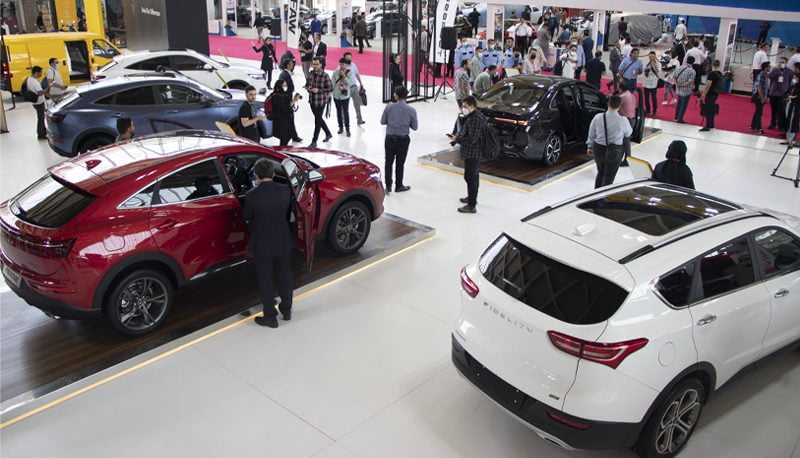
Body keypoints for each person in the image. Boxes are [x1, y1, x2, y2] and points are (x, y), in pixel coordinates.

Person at [244, 159, 294, 329]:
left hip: (263, 243)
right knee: (285, 276)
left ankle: (270, 317)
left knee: (265, 280)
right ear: (273, 173)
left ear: (256, 175)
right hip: (283, 240)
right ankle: (286, 310)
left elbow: (248, 217)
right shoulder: (286, 190)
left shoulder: (251, 196)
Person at [447, 96, 485, 214]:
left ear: (471, 105)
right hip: (474, 152)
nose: (463, 108)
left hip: (473, 153)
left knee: (470, 177)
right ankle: (472, 197)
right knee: (474, 176)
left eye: (465, 106)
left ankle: (471, 205)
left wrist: (457, 139)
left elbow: (472, 138)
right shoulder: (477, 116)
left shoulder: (475, 119)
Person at [587, 95, 631, 188]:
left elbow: (591, 133)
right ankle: (604, 195)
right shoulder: (623, 120)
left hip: (598, 149)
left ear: (608, 104)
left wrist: (590, 146)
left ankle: (596, 193)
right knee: (609, 177)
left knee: (600, 172)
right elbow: (628, 133)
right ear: (619, 106)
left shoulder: (598, 117)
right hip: (615, 152)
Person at [380, 86, 418, 193]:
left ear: (396, 95)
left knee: (388, 162)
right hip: (403, 140)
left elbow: (382, 121)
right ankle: (399, 185)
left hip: (390, 139)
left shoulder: (389, 107)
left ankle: (388, 186)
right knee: (400, 163)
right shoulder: (411, 110)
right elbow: (415, 127)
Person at [305, 57, 332, 147]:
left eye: (317, 64)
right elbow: (307, 84)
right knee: (319, 118)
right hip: (312, 100)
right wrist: (308, 88)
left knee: (317, 120)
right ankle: (328, 133)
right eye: (313, 64)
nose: (315, 66)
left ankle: (314, 141)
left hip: (321, 101)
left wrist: (319, 90)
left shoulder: (325, 75)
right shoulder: (310, 74)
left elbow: (330, 88)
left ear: (320, 65)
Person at [278, 58, 303, 143]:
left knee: (291, 118)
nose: (293, 65)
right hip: (286, 101)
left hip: (288, 99)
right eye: (291, 64)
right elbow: (283, 88)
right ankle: (291, 137)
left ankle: (294, 136)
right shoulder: (285, 75)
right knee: (290, 118)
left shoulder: (285, 74)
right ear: (288, 65)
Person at [767, 57, 792, 131]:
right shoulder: (775, 70)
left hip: (783, 94)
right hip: (773, 93)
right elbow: (770, 76)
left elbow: (790, 82)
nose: (781, 63)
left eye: (783, 62)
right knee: (773, 109)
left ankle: (781, 125)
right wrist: (775, 69)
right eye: (780, 62)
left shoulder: (789, 72)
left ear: (786, 63)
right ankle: (773, 123)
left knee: (781, 110)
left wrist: (789, 92)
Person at [331, 58, 355, 137]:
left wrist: (344, 77)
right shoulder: (335, 73)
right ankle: (340, 127)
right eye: (340, 64)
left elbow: (351, 84)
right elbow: (332, 84)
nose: (342, 66)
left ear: (347, 65)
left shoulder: (350, 73)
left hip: (345, 97)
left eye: (343, 64)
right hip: (336, 96)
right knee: (338, 112)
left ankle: (347, 128)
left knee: (345, 112)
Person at [343, 52, 365, 126]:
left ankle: (359, 119)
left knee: (357, 104)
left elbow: (357, 74)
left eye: (350, 57)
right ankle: (344, 120)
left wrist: (361, 83)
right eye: (347, 58)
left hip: (354, 87)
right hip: (347, 88)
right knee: (345, 105)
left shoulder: (353, 65)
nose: (349, 59)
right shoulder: (341, 67)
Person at [699, 60, 722, 132]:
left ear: (712, 65)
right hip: (716, 93)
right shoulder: (719, 73)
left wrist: (703, 94)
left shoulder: (711, 74)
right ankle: (711, 124)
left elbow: (708, 85)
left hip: (710, 93)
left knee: (708, 110)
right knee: (711, 109)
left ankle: (707, 126)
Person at [26, 66, 48, 140]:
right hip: (39, 102)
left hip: (35, 102)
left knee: (41, 117)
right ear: (36, 73)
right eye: (40, 73)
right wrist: (47, 89)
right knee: (41, 118)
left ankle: (43, 131)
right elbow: (40, 93)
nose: (41, 74)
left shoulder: (29, 79)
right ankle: (40, 134)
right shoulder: (34, 82)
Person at [674, 56, 696, 124]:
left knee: (679, 104)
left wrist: (677, 84)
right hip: (686, 91)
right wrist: (682, 85)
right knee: (683, 105)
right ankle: (680, 118)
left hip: (678, 89)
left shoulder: (679, 67)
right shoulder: (692, 71)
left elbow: (674, 77)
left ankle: (676, 117)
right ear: (693, 62)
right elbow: (690, 81)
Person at [751, 61, 770, 135]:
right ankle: (759, 128)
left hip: (761, 95)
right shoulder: (761, 75)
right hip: (758, 95)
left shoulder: (766, 75)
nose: (770, 68)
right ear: (765, 67)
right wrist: (762, 97)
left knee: (758, 110)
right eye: (769, 66)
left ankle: (753, 125)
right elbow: (759, 87)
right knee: (759, 112)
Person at [643, 51, 661, 117]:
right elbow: (644, 72)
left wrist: (653, 63)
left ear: (655, 56)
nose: (651, 57)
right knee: (646, 98)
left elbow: (657, 71)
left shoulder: (658, 63)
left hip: (654, 83)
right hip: (646, 82)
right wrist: (646, 71)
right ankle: (648, 110)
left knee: (653, 98)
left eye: (653, 56)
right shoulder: (646, 62)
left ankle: (654, 111)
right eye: (650, 56)